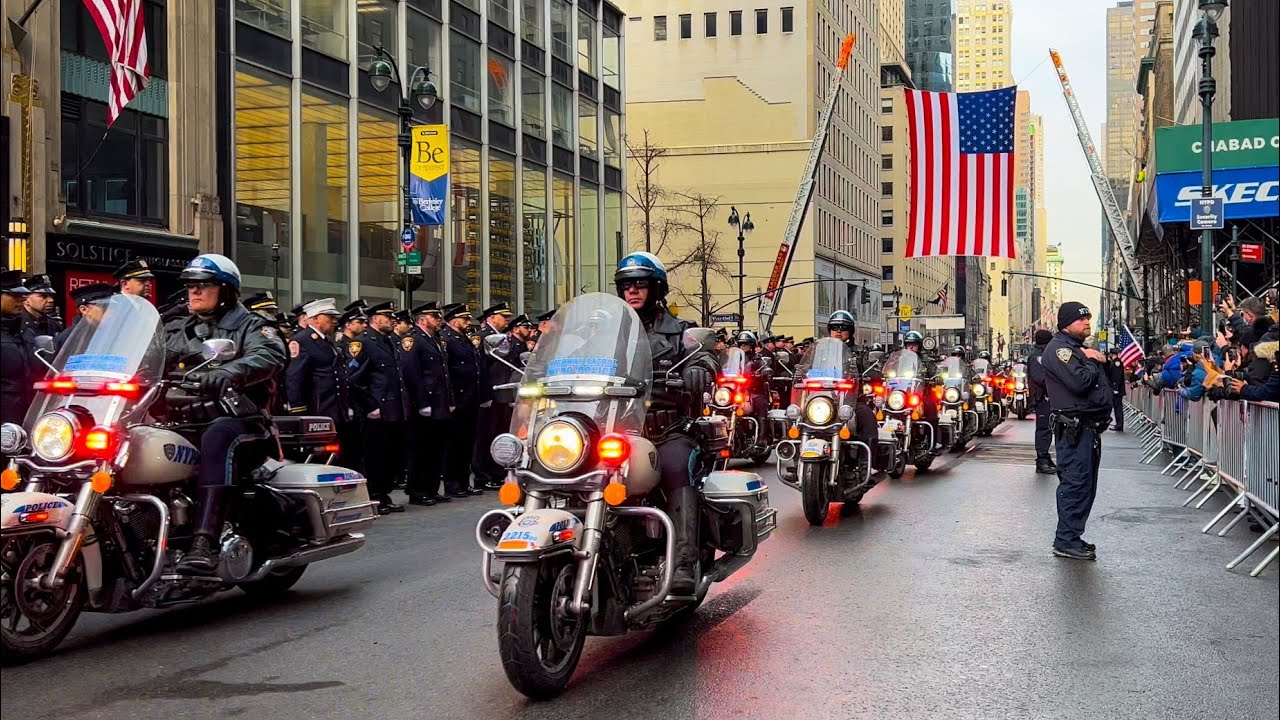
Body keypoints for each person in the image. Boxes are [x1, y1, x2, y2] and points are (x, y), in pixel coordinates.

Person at [164, 254, 287, 574]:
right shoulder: (178, 328)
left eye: (204, 286)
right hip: (186, 421)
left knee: (218, 437)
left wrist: (229, 372)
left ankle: (205, 541)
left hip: (242, 423)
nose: (194, 292)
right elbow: (148, 357)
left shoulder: (252, 325)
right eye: (191, 286)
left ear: (227, 291)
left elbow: (270, 355)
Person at [614, 251, 718, 593]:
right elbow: (575, 355)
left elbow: (704, 353)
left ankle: (685, 561)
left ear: (656, 288)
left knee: (676, 467)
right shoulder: (609, 331)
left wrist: (699, 368)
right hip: (615, 429)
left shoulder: (680, 332)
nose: (632, 292)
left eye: (640, 285)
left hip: (665, 431)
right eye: (627, 286)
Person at [1042, 302, 1113, 561]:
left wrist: (1096, 359)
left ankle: (1072, 535)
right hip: (1074, 427)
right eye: (1082, 319)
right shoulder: (1060, 350)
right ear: (1067, 323)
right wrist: (1093, 362)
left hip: (1087, 427)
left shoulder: (1076, 349)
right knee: (1075, 483)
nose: (1087, 323)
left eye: (1088, 318)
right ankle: (1065, 539)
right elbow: (1080, 382)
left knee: (1085, 485)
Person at [349, 301, 409, 514]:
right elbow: (354, 379)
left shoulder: (389, 341)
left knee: (392, 456)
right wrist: (369, 405)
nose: (392, 320)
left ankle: (384, 493)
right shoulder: (363, 343)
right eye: (387, 316)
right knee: (376, 456)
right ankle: (374, 496)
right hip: (377, 410)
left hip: (394, 409)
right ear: (375, 319)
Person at [401, 301, 452, 506]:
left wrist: (449, 400)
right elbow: (412, 374)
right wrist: (421, 402)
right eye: (434, 317)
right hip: (424, 403)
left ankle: (431, 488)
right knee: (420, 449)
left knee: (436, 448)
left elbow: (444, 374)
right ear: (423, 319)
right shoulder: (413, 340)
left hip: (439, 401)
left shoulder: (435, 339)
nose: (439, 320)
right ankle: (417, 490)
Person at [440, 302, 484, 498]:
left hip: (470, 397)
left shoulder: (464, 339)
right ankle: (452, 483)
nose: (467, 322)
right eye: (464, 319)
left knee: (467, 442)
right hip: (458, 398)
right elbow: (447, 371)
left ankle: (464, 482)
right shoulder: (446, 339)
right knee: (454, 444)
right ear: (453, 320)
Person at [284, 298, 351, 423]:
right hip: (318, 408)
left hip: (335, 408)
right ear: (315, 319)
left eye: (335, 317)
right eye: (330, 317)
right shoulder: (302, 341)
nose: (335, 321)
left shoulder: (328, 340)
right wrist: (298, 408)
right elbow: (294, 377)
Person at [825, 310, 880, 454]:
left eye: (843, 328)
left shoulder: (860, 353)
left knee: (868, 419)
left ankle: (865, 462)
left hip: (852, 401)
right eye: (835, 328)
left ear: (850, 331)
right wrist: (796, 373)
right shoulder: (821, 351)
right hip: (823, 400)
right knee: (796, 417)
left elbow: (872, 370)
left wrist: (873, 375)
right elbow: (805, 367)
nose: (838, 331)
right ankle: (794, 453)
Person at [1, 270, 38, 431]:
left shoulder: (25, 330)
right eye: (13, 296)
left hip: (28, 415)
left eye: (22, 296)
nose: (21, 300)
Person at [1026, 329, 1056, 474]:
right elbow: (1040, 377)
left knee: (1048, 428)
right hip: (1041, 397)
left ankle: (1045, 457)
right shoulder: (1037, 356)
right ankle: (1042, 460)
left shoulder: (1042, 354)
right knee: (1043, 429)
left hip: (1046, 397)